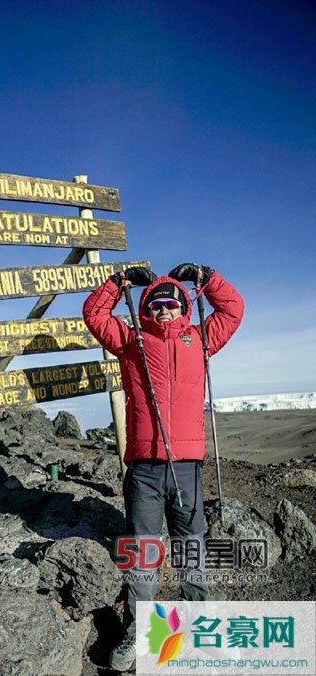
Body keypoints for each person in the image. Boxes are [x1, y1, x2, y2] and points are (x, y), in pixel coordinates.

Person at [82, 263, 244, 672]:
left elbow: (233, 309)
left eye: (171, 304)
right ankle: (140, 634)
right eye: (156, 305)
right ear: (147, 311)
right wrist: (119, 284)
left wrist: (207, 279)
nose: (164, 310)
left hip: (187, 466)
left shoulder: (201, 338)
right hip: (144, 467)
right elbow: (94, 314)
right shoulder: (131, 340)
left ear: (184, 307)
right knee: (142, 553)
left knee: (192, 548)